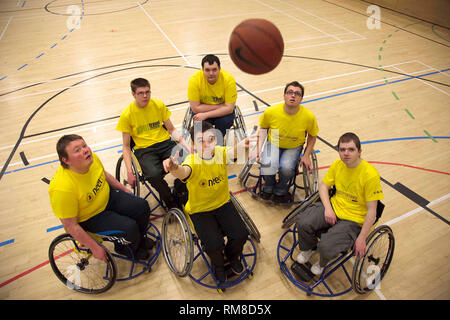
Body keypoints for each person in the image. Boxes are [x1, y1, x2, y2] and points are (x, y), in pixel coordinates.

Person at [163, 121, 250, 282]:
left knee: (241, 234)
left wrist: (244, 143)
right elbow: (183, 172)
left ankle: (232, 256)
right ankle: (218, 264)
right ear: (193, 144)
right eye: (201, 141)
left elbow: (233, 151)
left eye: (210, 139)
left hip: (223, 203)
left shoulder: (219, 152)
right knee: (214, 245)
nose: (207, 144)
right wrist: (174, 168)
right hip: (200, 209)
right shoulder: (192, 161)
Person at [48, 134, 153, 261]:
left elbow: (105, 175)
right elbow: (70, 226)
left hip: (109, 198)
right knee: (130, 229)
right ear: (66, 160)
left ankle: (138, 240)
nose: (85, 150)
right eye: (77, 150)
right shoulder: (62, 188)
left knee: (142, 206)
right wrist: (94, 247)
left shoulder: (92, 159)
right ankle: (124, 248)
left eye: (84, 145)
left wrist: (124, 190)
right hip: (91, 218)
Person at [295, 132, 384, 275]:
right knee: (303, 221)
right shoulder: (338, 165)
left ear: (359, 152)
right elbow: (323, 187)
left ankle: (322, 262)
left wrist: (361, 238)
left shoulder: (370, 175)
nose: (346, 153)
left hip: (353, 220)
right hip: (334, 208)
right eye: (342, 150)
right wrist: (328, 209)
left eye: (351, 149)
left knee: (326, 246)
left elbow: (372, 211)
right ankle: (310, 248)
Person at [116, 78, 190, 210]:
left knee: (189, 161)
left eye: (147, 92)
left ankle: (180, 189)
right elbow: (126, 146)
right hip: (144, 150)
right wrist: (129, 172)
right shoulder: (127, 115)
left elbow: (171, 129)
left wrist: (186, 145)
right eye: (141, 93)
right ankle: (169, 199)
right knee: (154, 174)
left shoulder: (158, 105)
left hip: (165, 144)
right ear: (133, 94)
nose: (145, 96)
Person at [256, 81, 319, 203]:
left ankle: (280, 191)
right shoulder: (271, 111)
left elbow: (312, 136)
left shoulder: (308, 117)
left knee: (286, 168)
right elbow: (263, 129)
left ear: (301, 98)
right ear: (284, 95)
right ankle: (268, 187)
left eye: (297, 94)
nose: (293, 95)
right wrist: (258, 149)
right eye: (290, 92)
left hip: (294, 146)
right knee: (267, 163)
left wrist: (306, 155)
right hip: (273, 141)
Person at [187, 54, 238, 139]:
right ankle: (205, 144)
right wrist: (221, 106)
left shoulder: (228, 79)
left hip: (221, 114)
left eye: (214, 70)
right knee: (199, 124)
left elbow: (229, 109)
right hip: (217, 109)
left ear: (219, 69)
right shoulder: (194, 80)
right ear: (202, 70)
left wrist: (206, 114)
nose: (211, 73)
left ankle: (217, 143)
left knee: (224, 122)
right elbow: (195, 108)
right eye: (207, 70)